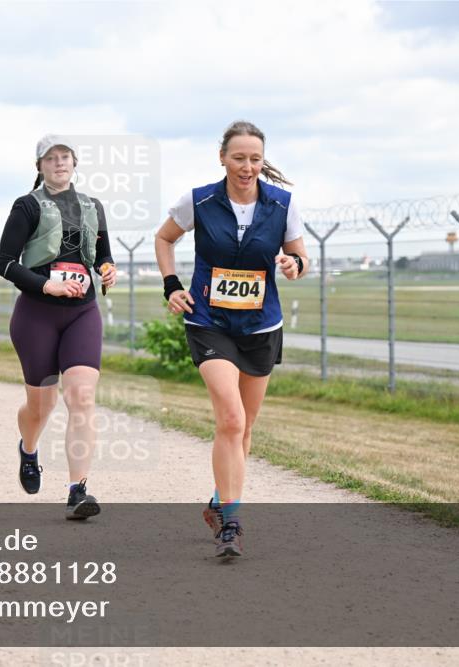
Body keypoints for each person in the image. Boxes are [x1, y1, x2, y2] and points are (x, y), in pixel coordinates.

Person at [154, 120, 309, 558]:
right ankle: (233, 523)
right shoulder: (200, 200)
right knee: (231, 419)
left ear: (263, 161)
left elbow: (300, 256)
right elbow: (164, 239)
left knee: (245, 429)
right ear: (222, 157)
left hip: (261, 327)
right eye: (238, 158)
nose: (247, 167)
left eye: (255, 159)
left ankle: (220, 501)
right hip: (209, 323)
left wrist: (294, 266)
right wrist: (172, 285)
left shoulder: (282, 204)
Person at [0, 134, 117, 520]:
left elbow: (103, 254)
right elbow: (5, 263)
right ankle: (28, 450)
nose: (59, 163)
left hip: (82, 312)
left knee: (81, 397)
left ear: (74, 163)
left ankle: (77, 490)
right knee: (41, 406)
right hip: (37, 315)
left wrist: (107, 269)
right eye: (51, 158)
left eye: (65, 157)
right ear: (40, 166)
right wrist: (46, 283)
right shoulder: (27, 206)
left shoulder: (92, 206)